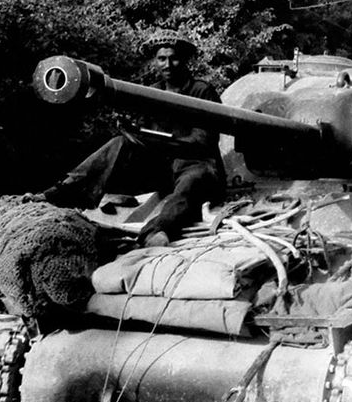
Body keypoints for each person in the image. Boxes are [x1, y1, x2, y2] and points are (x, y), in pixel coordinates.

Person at [42, 30, 224, 247]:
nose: (168, 64)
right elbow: (145, 139)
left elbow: (203, 143)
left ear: (184, 60)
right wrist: (134, 132)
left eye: (174, 58)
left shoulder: (201, 91)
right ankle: (63, 193)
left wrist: (159, 141)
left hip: (196, 165)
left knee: (191, 184)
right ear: (154, 62)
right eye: (161, 59)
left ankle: (158, 230)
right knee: (121, 142)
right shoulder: (152, 92)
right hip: (163, 169)